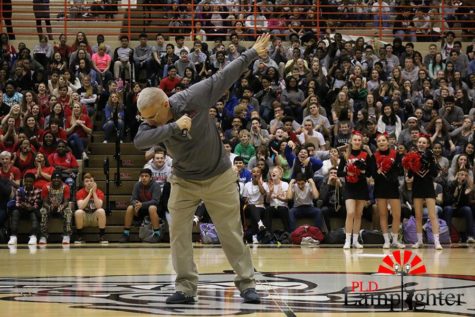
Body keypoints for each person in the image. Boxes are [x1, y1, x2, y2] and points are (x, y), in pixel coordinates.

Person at [133, 33, 270, 305]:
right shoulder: (153, 123)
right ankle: (185, 287)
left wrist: (252, 53)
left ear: (164, 104)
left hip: (219, 175)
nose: (148, 122)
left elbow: (224, 76)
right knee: (179, 233)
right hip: (183, 180)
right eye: (144, 118)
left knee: (230, 232)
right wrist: (173, 127)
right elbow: (138, 141)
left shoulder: (193, 97)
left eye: (150, 117)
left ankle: (246, 283)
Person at [403, 135, 442, 250]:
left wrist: (429, 161)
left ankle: (436, 241)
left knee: (432, 215)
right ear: (417, 143)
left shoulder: (431, 156)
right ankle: (419, 241)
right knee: (418, 216)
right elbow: (410, 175)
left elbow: (434, 174)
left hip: (429, 187)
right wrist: (409, 164)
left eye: (424, 143)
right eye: (419, 142)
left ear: (428, 144)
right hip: (417, 188)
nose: (421, 144)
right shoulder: (413, 155)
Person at [370, 133, 405, 249]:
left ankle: (395, 240)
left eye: (383, 140)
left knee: (397, 215)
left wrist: (393, 174)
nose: (381, 142)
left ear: (388, 142)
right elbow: (373, 174)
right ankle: (386, 240)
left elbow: (400, 170)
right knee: (383, 215)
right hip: (380, 188)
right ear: (377, 143)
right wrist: (378, 173)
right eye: (379, 141)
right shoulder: (374, 156)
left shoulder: (395, 154)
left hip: (393, 187)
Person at [337, 131, 371, 249]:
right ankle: (347, 240)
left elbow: (369, 172)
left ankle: (355, 241)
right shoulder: (345, 155)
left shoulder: (365, 155)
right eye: (355, 140)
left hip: (361, 186)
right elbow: (339, 172)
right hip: (349, 187)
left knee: (358, 214)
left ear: (361, 142)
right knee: (350, 212)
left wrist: (362, 171)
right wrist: (348, 172)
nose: (357, 142)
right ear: (351, 141)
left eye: (359, 140)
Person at [119, 168, 162, 243]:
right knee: (130, 208)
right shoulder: (137, 185)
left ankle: (157, 234)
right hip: (141, 208)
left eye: (146, 176)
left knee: (152, 208)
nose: (144, 178)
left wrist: (142, 204)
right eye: (142, 176)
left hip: (154, 209)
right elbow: (132, 199)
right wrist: (136, 204)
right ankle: (126, 233)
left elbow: (155, 201)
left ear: (151, 177)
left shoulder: (156, 185)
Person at [39, 170, 73, 244]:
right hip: (49, 206)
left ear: (61, 179)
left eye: (58, 178)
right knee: (43, 211)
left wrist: (61, 207)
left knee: (68, 211)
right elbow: (44, 202)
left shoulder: (65, 187)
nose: (56, 179)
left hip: (61, 206)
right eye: (54, 178)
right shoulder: (46, 187)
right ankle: (43, 236)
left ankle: (66, 235)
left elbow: (66, 202)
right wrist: (50, 207)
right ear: (51, 179)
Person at [7, 173, 41, 245]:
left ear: (33, 182)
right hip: (21, 210)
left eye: (30, 182)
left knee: (34, 215)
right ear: (24, 181)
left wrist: (29, 207)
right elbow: (17, 203)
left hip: (31, 211)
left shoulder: (37, 191)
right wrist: (26, 206)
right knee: (15, 213)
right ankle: (13, 236)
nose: (28, 183)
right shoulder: (19, 190)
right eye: (27, 181)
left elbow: (36, 205)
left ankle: (33, 236)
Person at [74, 173, 107, 244]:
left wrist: (94, 193)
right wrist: (89, 193)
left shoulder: (99, 192)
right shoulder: (79, 193)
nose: (89, 183)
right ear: (84, 183)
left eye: (91, 181)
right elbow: (81, 207)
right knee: (78, 212)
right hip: (85, 218)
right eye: (87, 181)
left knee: (101, 211)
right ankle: (80, 237)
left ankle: (102, 237)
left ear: (94, 182)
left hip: (94, 218)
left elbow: (98, 206)